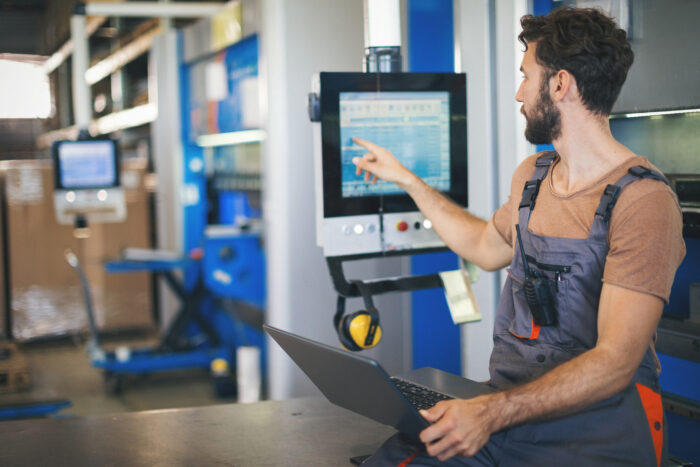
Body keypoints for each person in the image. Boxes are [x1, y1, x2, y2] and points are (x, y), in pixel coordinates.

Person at [353, 7, 686, 467]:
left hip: (598, 433)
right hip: (510, 417)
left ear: (560, 85)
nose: (518, 94)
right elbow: (485, 248)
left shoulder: (643, 201)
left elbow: (615, 363)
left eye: (525, 76)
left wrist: (488, 413)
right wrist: (407, 180)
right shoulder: (533, 176)